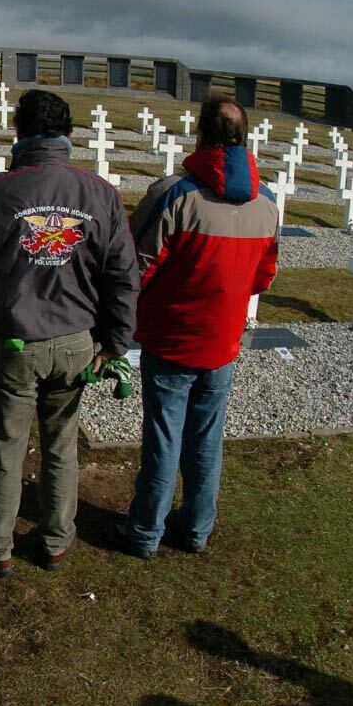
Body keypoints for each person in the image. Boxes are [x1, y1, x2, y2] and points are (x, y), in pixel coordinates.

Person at [0, 89, 138, 577]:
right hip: (77, 339)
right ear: (68, 135)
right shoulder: (100, 194)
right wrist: (115, 341)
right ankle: (56, 538)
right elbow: (123, 273)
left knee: (6, 444)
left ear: (18, 132)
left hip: (16, 339)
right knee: (61, 443)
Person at [117, 95, 279, 558]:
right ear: (244, 139)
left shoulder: (174, 194)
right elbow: (263, 277)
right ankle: (196, 530)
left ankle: (145, 531)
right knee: (207, 439)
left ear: (201, 135)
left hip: (172, 339)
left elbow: (136, 266)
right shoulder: (267, 204)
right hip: (223, 341)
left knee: (164, 439)